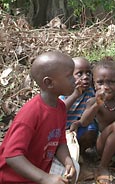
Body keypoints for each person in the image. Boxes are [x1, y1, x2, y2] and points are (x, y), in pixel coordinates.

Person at [0, 50, 79, 184]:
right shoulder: (31, 113)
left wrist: (68, 161)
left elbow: (59, 141)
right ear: (49, 83)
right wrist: (45, 178)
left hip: (38, 169)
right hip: (13, 178)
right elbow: (12, 156)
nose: (75, 80)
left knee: (74, 168)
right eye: (69, 76)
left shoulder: (59, 107)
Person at [60, 57, 98, 160]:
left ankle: (80, 152)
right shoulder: (64, 91)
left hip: (78, 127)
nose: (85, 77)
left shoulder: (90, 91)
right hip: (61, 132)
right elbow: (59, 111)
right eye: (79, 74)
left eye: (88, 73)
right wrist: (75, 95)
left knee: (91, 130)